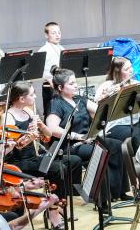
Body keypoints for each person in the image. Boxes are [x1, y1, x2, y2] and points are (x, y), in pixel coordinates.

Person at [45, 67, 127, 202]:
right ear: (60, 87)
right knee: (102, 150)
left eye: (75, 82)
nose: (76, 86)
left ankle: (119, 191)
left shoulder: (79, 99)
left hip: (87, 140)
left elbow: (101, 110)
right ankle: (104, 196)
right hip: (69, 145)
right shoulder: (55, 103)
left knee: (116, 145)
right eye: (71, 84)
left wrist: (107, 97)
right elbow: (53, 129)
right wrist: (78, 136)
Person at [4, 81, 79, 226]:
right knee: (58, 169)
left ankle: (59, 203)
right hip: (19, 162)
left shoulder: (29, 111)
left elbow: (48, 135)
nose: (35, 96)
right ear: (21, 98)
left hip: (34, 158)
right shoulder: (8, 117)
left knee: (72, 161)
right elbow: (13, 147)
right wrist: (27, 138)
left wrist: (40, 125)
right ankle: (53, 211)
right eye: (32, 94)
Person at [94, 56, 137, 143]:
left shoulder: (136, 84)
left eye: (131, 67)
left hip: (135, 121)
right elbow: (98, 108)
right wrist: (107, 96)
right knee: (135, 135)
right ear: (117, 72)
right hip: (115, 124)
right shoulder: (107, 86)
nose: (131, 70)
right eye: (127, 69)